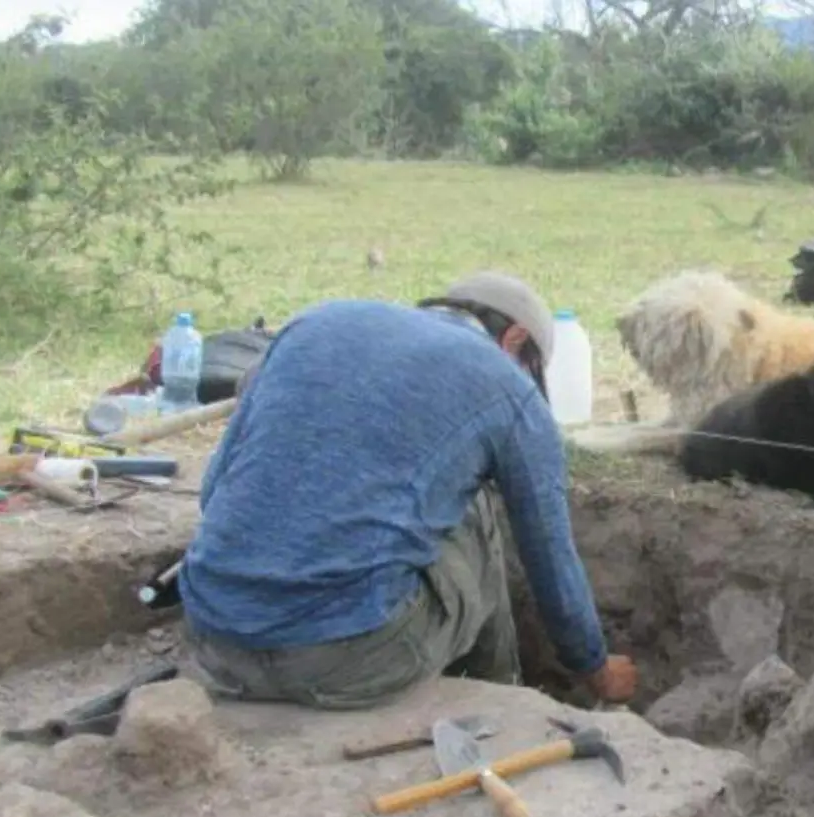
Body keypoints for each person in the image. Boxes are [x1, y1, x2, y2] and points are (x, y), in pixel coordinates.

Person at [179, 271, 636, 710]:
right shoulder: (505, 384)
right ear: (516, 339)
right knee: (476, 506)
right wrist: (594, 667)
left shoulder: (314, 323)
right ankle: (498, 692)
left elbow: (214, 490)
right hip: (346, 663)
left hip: (214, 642)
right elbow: (549, 556)